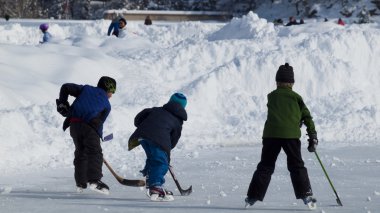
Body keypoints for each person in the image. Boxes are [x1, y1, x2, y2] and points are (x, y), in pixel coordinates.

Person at [245, 63, 318, 208]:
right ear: (292, 82)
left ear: (277, 81)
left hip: (271, 136)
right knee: (296, 165)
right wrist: (312, 135)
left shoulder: (271, 96)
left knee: (265, 166)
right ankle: (306, 195)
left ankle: (252, 197)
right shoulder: (297, 98)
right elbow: (307, 116)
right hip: (291, 136)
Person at [56, 76, 117, 195]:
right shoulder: (107, 105)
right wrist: (99, 138)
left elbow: (66, 87)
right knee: (95, 152)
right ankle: (94, 181)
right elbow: (99, 123)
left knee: (80, 152)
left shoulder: (86, 89)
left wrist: (62, 103)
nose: (111, 95)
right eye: (112, 91)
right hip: (90, 127)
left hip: (74, 124)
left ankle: (81, 182)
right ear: (109, 89)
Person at [128, 93, 188, 201]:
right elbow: (173, 140)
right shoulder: (178, 121)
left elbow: (139, 117)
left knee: (153, 157)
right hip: (159, 140)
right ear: (183, 107)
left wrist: (144, 125)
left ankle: (149, 178)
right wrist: (166, 150)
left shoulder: (157, 110)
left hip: (142, 136)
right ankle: (155, 186)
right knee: (161, 163)